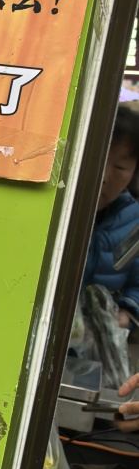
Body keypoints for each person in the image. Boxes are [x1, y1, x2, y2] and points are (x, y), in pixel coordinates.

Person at [85, 107, 139, 336]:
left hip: (96, 345)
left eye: (119, 167)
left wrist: (127, 312)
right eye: (96, 159)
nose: (104, 176)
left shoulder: (133, 221)